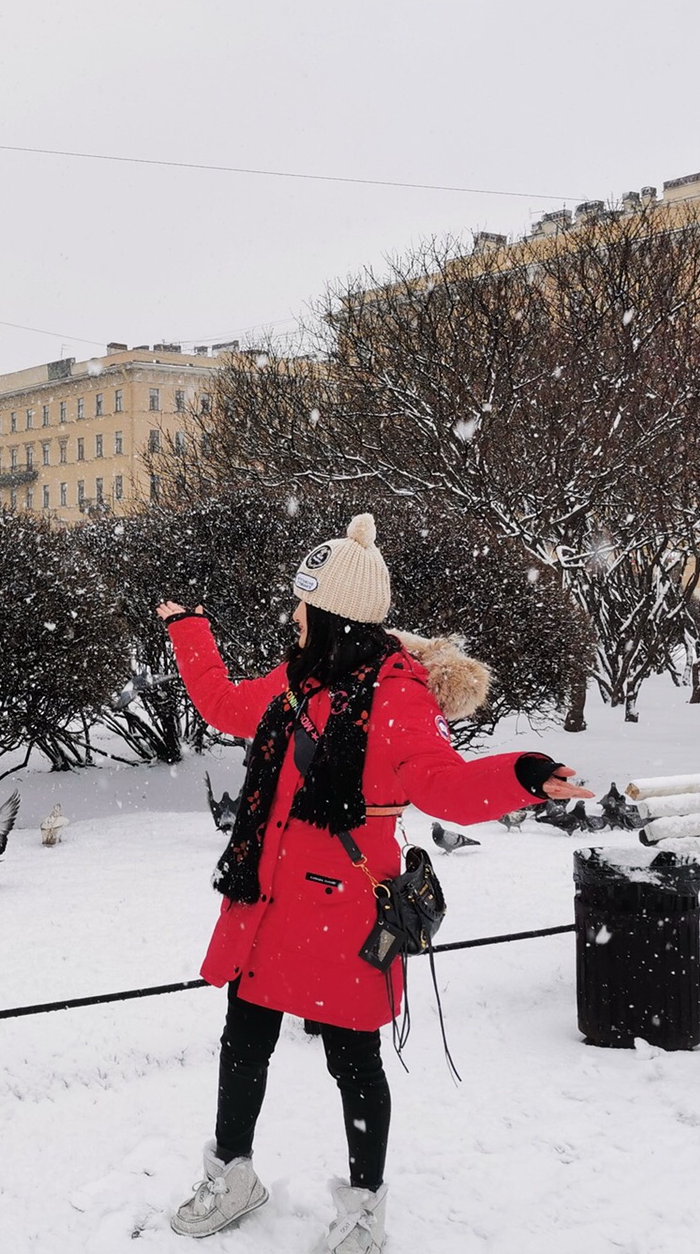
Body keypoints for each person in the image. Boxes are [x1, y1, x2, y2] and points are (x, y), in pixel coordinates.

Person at [156, 513, 592, 1250]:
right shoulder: (298, 680)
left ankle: (363, 1208)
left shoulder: (396, 695)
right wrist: (190, 629)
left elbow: (443, 787)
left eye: (302, 603)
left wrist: (521, 775)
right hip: (266, 897)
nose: (292, 615)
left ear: (330, 613)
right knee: (243, 1040)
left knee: (352, 1062)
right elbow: (226, 705)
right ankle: (233, 1173)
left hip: (343, 911)